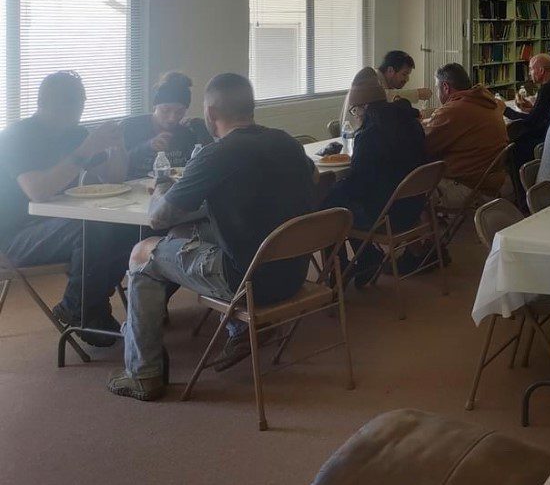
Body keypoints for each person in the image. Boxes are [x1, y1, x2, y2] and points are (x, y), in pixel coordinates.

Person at [107, 73, 315, 401]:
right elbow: (310, 177)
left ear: (209, 113)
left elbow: (158, 217)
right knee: (183, 233)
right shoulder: (285, 141)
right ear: (251, 107)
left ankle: (143, 373)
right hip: (292, 273)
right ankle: (243, 329)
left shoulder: (217, 155)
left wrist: (162, 186)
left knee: (143, 253)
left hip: (248, 281)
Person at [0, 71, 135, 344]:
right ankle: (84, 308)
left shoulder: (76, 134)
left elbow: (114, 179)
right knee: (91, 226)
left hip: (58, 223)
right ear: (46, 103)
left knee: (128, 227)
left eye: (79, 104)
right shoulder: (17, 136)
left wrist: (117, 147)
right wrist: (86, 149)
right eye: (71, 105)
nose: (77, 112)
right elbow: (38, 191)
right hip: (14, 236)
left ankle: (82, 304)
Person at [320, 68, 428, 286]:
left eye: (356, 110)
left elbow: (359, 185)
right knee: (342, 199)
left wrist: (331, 190)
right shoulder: (412, 125)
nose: (356, 115)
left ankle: (338, 267)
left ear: (364, 107)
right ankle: (367, 255)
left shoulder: (370, 136)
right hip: (415, 208)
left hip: (387, 216)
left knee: (330, 207)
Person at [424, 63, 508, 208]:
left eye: (437, 87)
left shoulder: (452, 111)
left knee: (411, 183)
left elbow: (424, 146)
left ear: (445, 87)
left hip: (467, 186)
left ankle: (420, 227)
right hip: (491, 182)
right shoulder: (490, 102)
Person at [122, 71, 199, 178]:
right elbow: (118, 166)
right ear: (155, 106)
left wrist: (201, 128)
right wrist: (147, 147)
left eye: (179, 112)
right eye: (165, 110)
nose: (172, 118)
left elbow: (195, 168)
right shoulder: (130, 127)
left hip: (172, 190)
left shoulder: (187, 133)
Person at [340, 50, 432, 128]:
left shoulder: (379, 80)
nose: (407, 79)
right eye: (404, 74)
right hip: (354, 138)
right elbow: (384, 96)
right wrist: (417, 94)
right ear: (390, 70)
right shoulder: (371, 78)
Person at [508, 76, 550, 166]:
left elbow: (531, 121)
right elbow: (544, 111)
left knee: (516, 141)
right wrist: (532, 108)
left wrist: (506, 111)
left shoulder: (546, 88)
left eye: (531, 69)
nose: (530, 73)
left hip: (546, 137)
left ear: (541, 71)